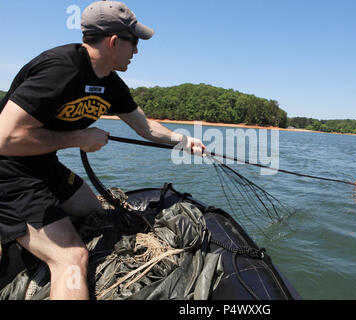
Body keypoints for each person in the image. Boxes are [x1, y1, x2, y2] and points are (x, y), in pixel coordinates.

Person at [0, 1, 204, 300]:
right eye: (134, 42)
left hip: (43, 165)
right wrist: (78, 138)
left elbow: (146, 128)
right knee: (71, 259)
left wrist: (184, 141)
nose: (136, 51)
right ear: (113, 41)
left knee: (93, 211)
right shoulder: (60, 69)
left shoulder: (111, 84)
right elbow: (4, 138)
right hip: (8, 170)